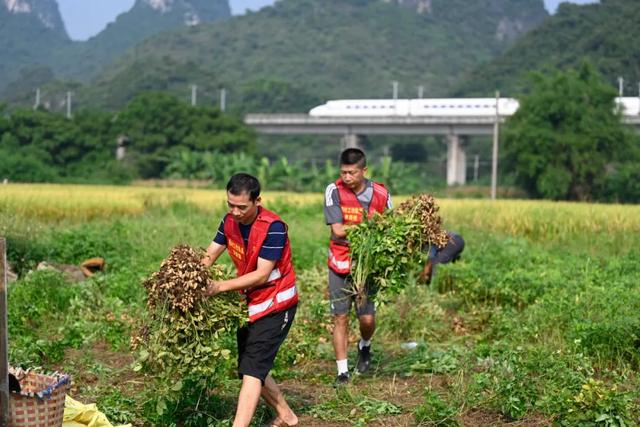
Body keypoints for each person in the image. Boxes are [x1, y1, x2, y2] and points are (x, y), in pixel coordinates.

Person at [202, 173, 299, 427]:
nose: (235, 212)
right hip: (250, 302)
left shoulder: (274, 228)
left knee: (253, 369)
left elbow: (262, 274)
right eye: (230, 205)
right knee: (248, 366)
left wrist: (220, 286)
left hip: (277, 303)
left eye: (241, 207)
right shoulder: (229, 222)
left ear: (258, 201)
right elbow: (210, 255)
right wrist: (190, 275)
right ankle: (287, 416)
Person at [324, 148, 392, 385]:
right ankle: (342, 371)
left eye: (352, 173)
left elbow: (390, 228)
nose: (347, 177)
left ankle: (365, 345)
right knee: (340, 317)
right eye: (343, 172)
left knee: (367, 320)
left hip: (369, 266)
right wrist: (370, 224)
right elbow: (338, 230)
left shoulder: (381, 193)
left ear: (364, 170)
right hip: (339, 263)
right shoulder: (333, 191)